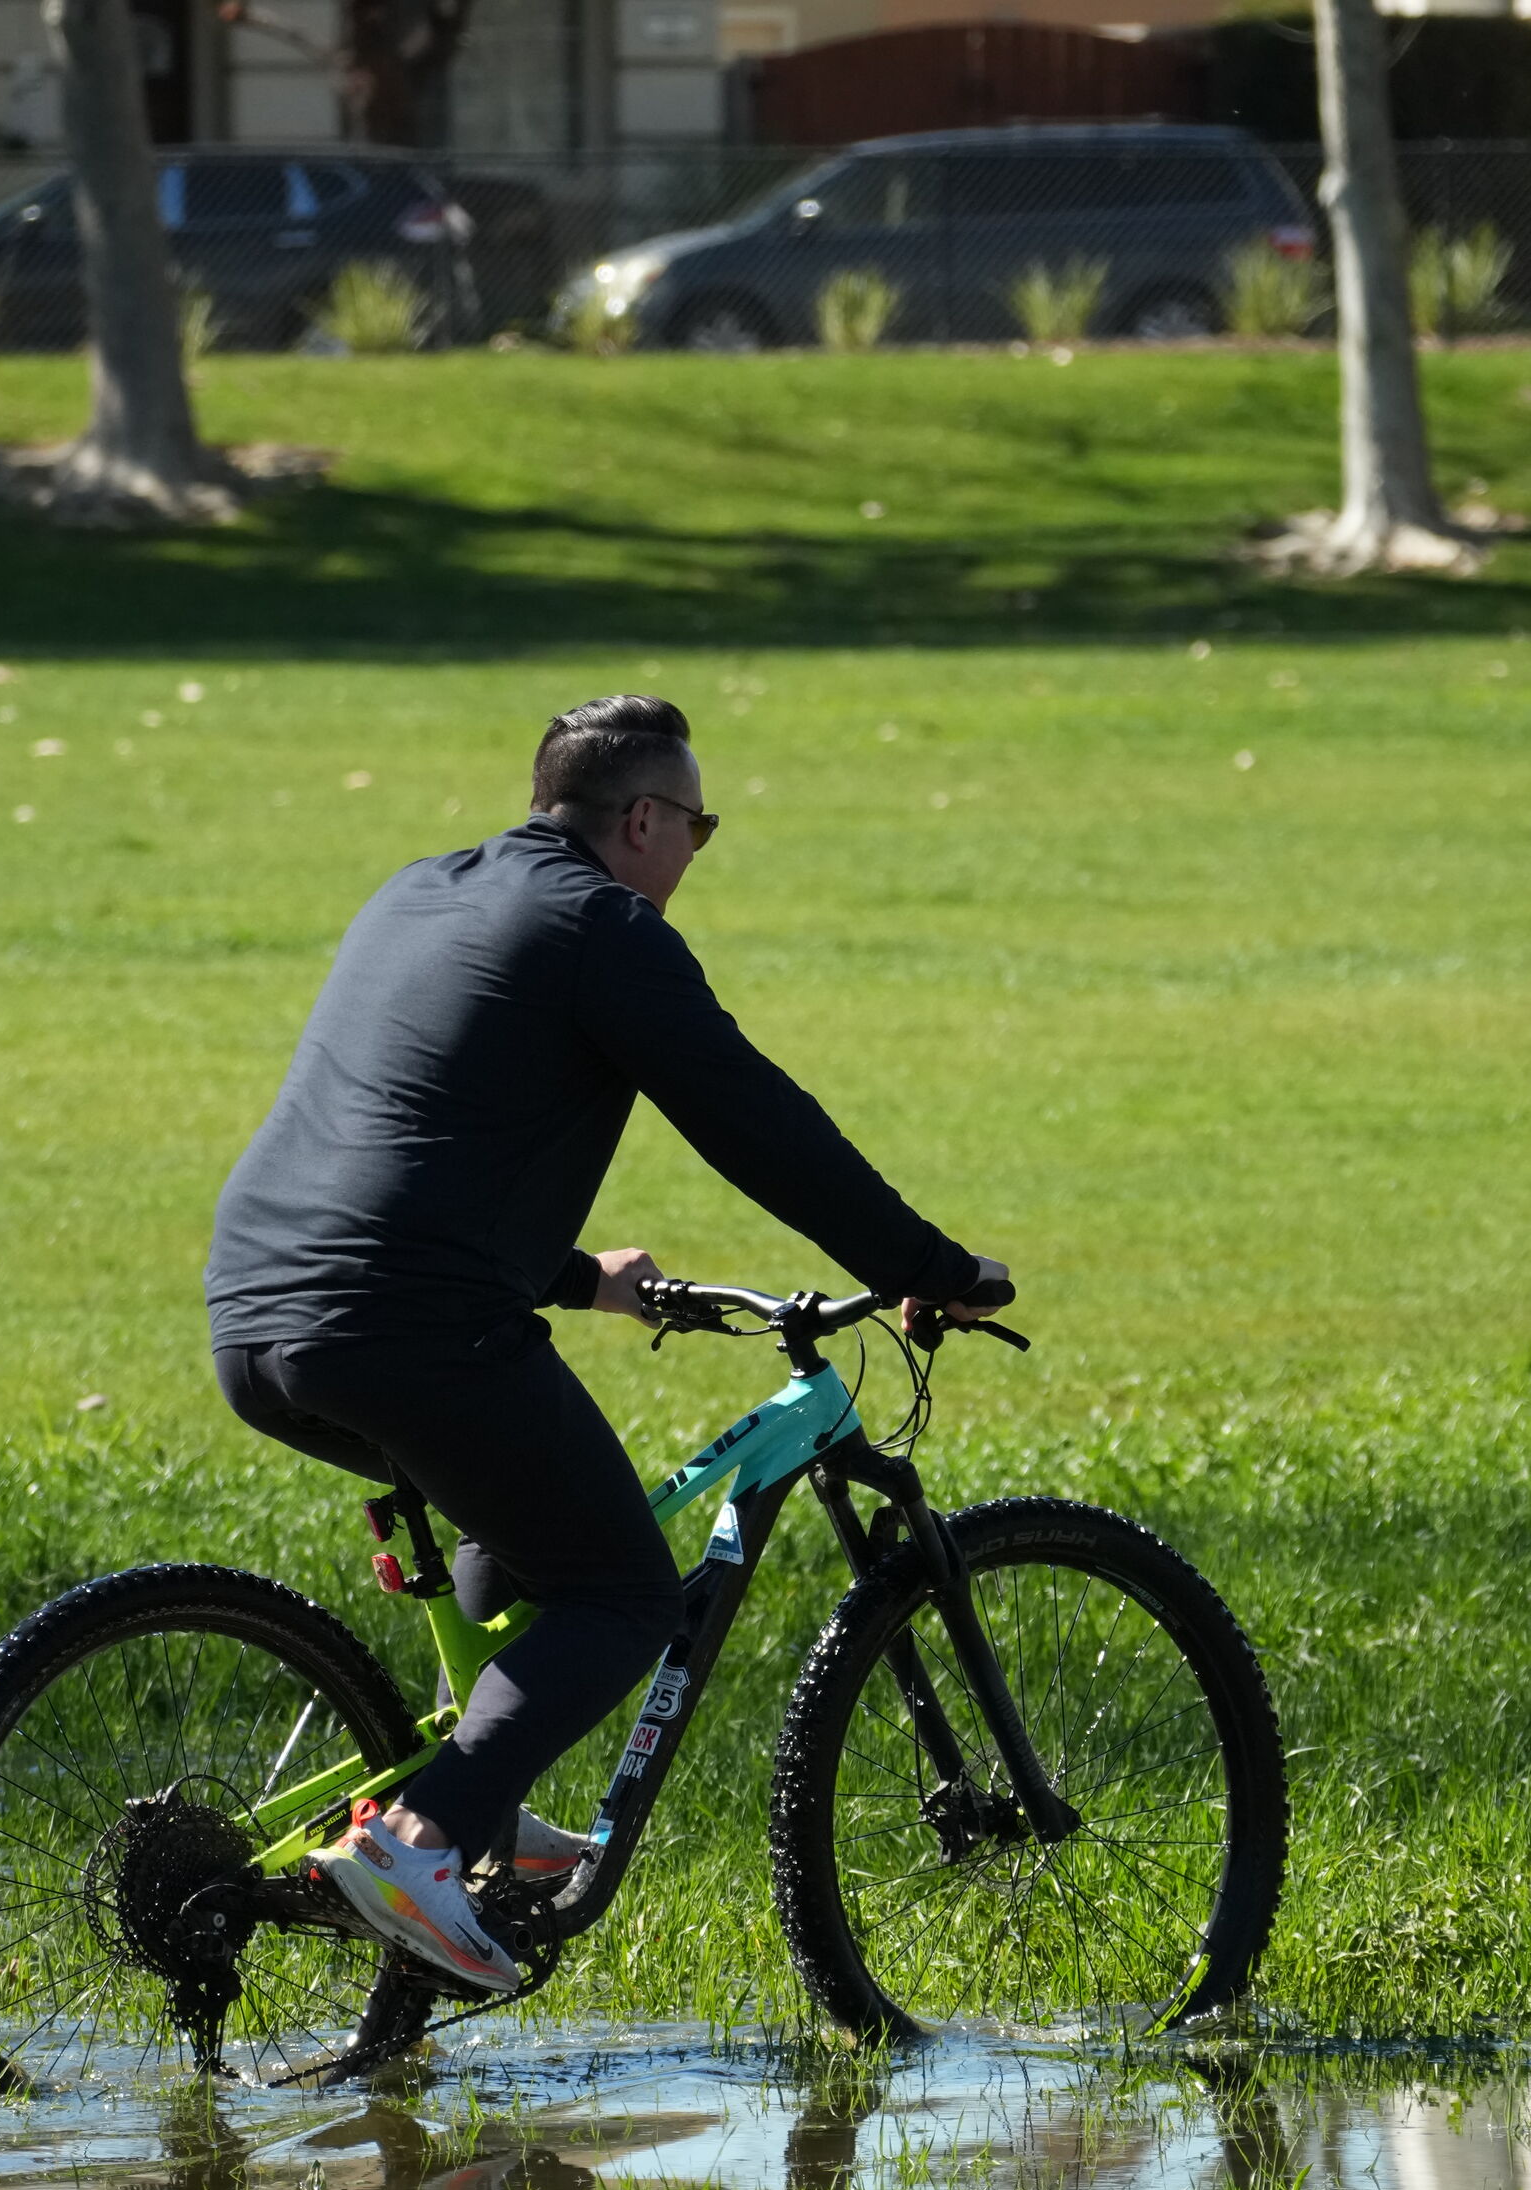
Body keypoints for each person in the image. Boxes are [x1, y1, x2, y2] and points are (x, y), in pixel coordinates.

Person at [205, 694, 1008, 1996]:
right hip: (411, 1321)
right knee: (627, 1593)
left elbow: (413, 1136)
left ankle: (484, 1801)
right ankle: (421, 1839)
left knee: (512, 1513)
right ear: (642, 819)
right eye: (698, 826)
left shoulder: (416, 893)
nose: (696, 852)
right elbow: (756, 1123)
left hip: (255, 1314)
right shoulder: (604, 927)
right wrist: (928, 1269)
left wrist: (583, 1278)